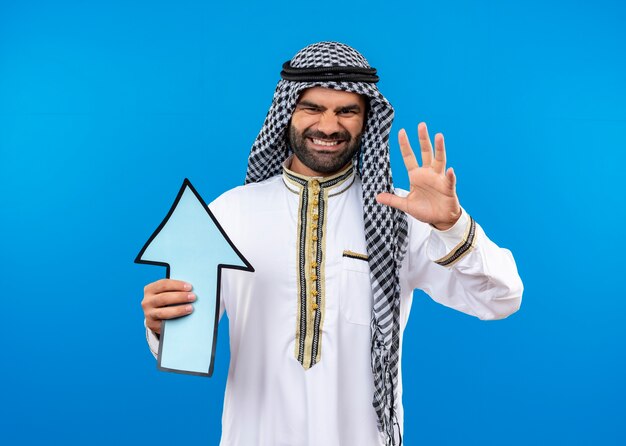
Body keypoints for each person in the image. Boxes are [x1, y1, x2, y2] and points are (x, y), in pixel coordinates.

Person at [141, 42, 523, 446]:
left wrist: (452, 225)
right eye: (312, 108)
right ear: (287, 112)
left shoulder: (398, 215)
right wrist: (161, 323)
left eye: (346, 111)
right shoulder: (231, 213)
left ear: (366, 120)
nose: (328, 126)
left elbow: (501, 299)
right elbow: (183, 338)